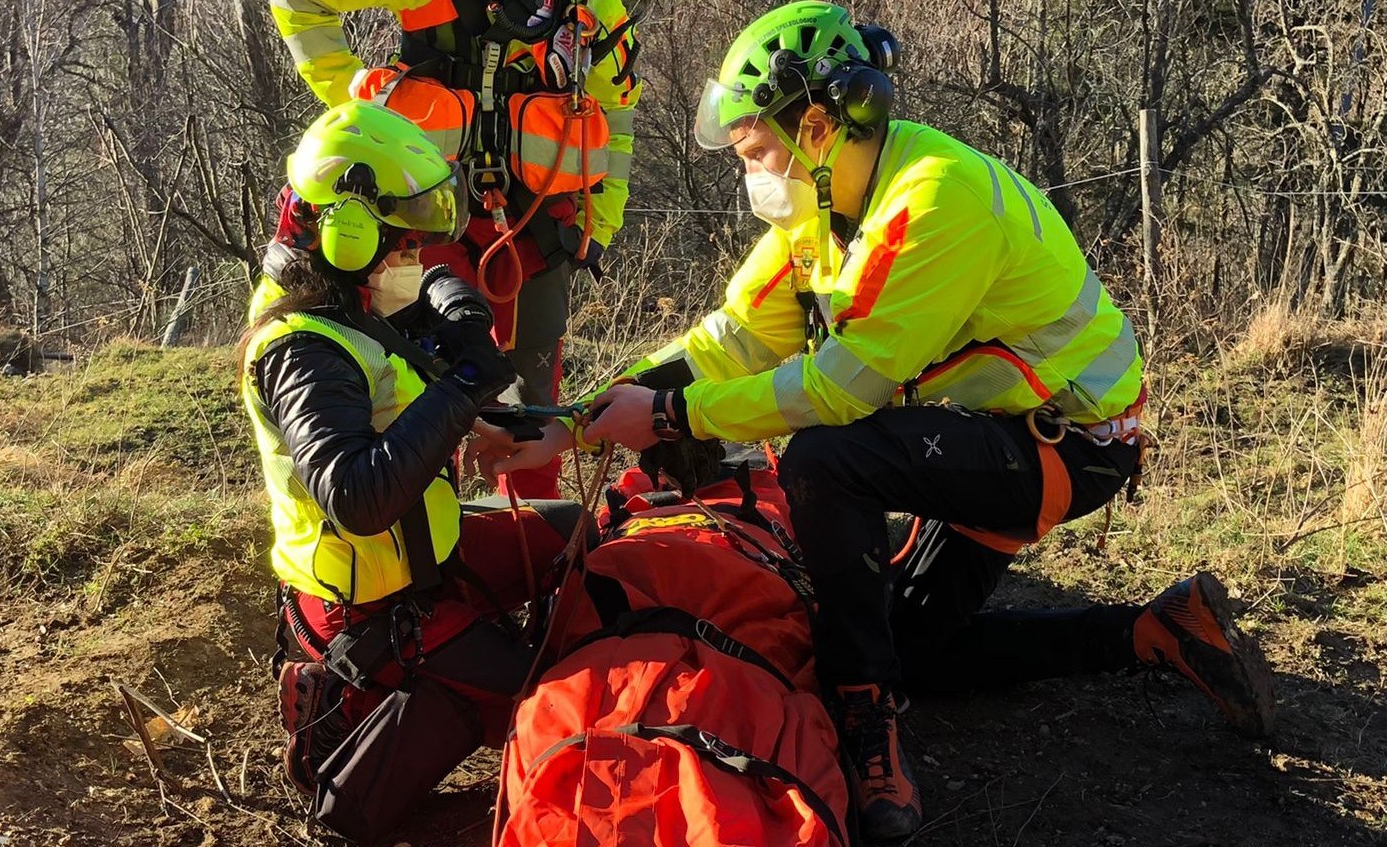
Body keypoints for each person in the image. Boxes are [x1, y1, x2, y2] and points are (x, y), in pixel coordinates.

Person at [471, 3, 1276, 844]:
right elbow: (731, 340)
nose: (750, 174)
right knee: (910, 647)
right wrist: (572, 423)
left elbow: (841, 391)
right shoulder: (823, 203)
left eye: (756, 151)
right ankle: (1152, 630)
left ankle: (867, 720)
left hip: (1073, 442)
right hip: (988, 433)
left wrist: (671, 414)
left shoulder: (937, 200)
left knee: (825, 460)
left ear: (816, 127)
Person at [240, 101, 581, 804]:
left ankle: (503, 641)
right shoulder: (300, 347)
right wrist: (460, 388)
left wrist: (458, 325)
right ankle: (355, 707)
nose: (414, 258)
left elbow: (412, 324)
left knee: (575, 536)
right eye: (403, 243)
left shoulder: (339, 294)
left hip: (426, 554)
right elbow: (358, 496)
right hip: (375, 614)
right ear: (349, 231)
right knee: (557, 699)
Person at [270, 0, 643, 499]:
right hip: (422, 215)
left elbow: (616, 108)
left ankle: (534, 531)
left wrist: (604, 219)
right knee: (419, 377)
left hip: (541, 225)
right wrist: (358, 110)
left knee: (533, 394)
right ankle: (428, 525)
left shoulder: (593, 8)